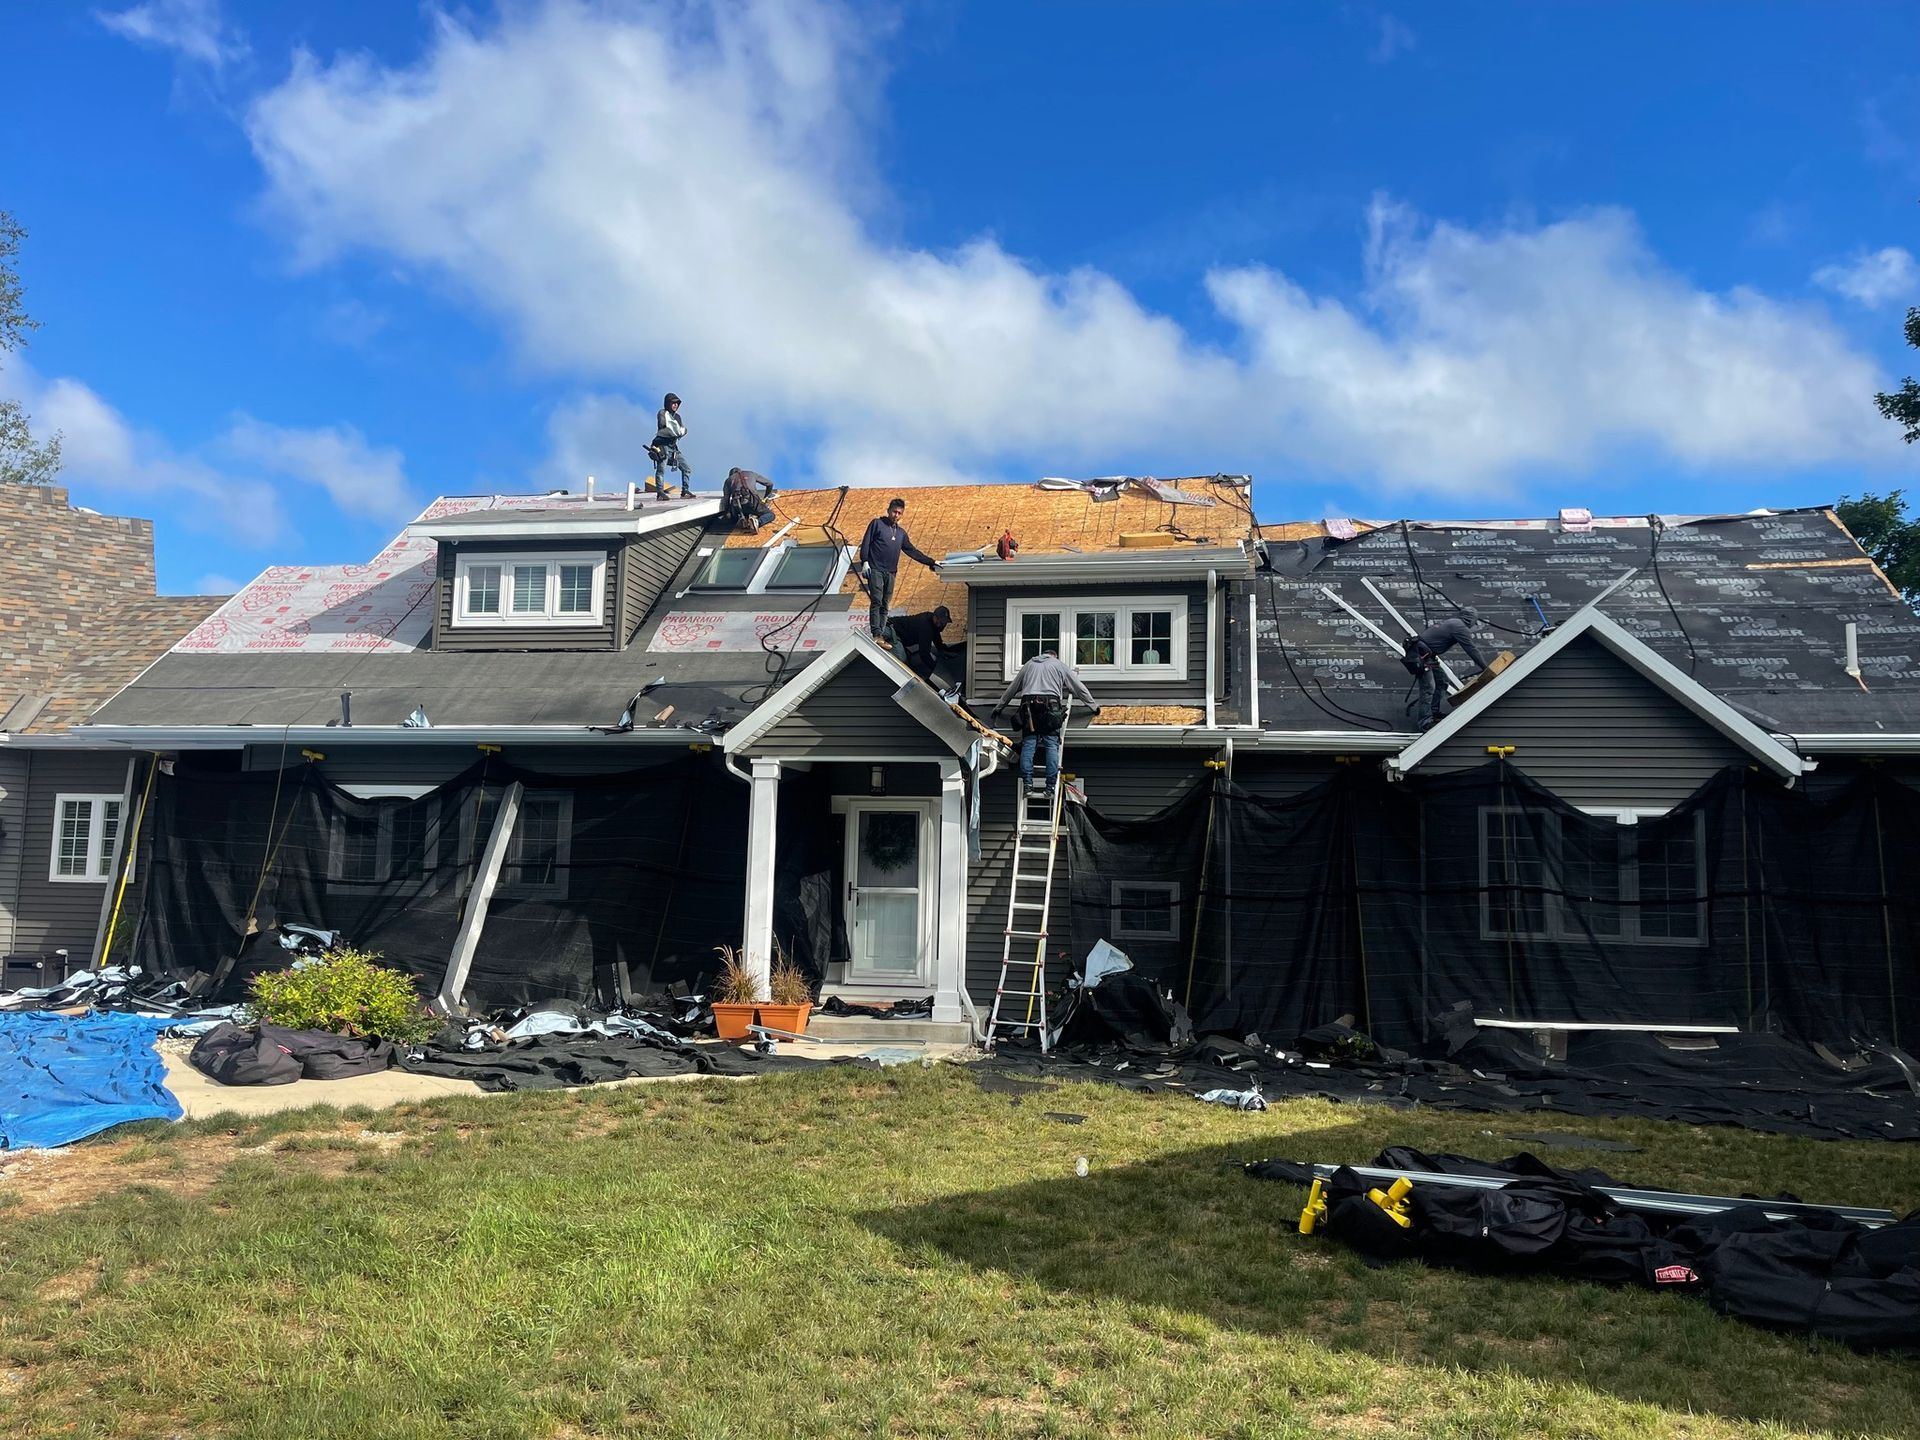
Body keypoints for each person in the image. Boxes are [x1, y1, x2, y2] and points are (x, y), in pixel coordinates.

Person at [994, 648, 1098, 795]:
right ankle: (1050, 787)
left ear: (1042, 654)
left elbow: (1012, 689)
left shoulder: (1029, 665)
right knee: (1051, 746)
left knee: (1028, 747)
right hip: (1051, 707)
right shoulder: (1058, 665)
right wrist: (1093, 706)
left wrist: (999, 708)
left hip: (1028, 709)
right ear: (1053, 656)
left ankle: (1028, 785)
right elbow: (1078, 688)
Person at [856, 496, 937, 644]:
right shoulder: (877, 524)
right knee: (877, 601)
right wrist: (865, 561)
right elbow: (866, 542)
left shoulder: (901, 533)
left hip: (891, 572)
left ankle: (881, 634)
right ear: (888, 510)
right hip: (876, 569)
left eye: (899, 513)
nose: (896, 515)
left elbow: (912, 551)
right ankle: (876, 634)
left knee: (886, 603)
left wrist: (931, 562)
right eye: (894, 512)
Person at [1403, 607, 1490, 730]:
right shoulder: (1460, 627)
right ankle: (1425, 722)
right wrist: (1486, 668)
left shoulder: (1453, 621)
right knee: (1428, 688)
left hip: (1426, 655)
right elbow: (1471, 650)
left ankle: (1433, 713)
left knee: (1442, 681)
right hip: (1422, 655)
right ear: (1471, 619)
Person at [889, 605, 954, 683]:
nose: (941, 625)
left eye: (944, 623)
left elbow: (937, 639)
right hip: (891, 631)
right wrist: (936, 671)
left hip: (898, 632)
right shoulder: (925, 627)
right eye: (940, 622)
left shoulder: (932, 622)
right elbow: (924, 654)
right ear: (935, 617)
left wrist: (944, 650)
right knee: (902, 660)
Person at [648, 392, 693, 497]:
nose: (675, 405)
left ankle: (685, 490)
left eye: (677, 403)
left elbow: (681, 430)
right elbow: (664, 426)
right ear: (668, 404)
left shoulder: (677, 417)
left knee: (686, 468)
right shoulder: (662, 413)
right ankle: (660, 492)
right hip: (662, 445)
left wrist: (682, 431)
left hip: (673, 447)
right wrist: (677, 431)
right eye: (673, 403)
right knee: (661, 469)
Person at [723, 467, 776, 532]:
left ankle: (742, 519)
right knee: (770, 515)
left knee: (733, 516)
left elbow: (726, 500)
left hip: (736, 506)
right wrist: (765, 497)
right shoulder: (751, 474)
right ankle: (757, 522)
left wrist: (727, 514)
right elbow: (770, 484)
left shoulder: (728, 480)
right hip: (751, 501)